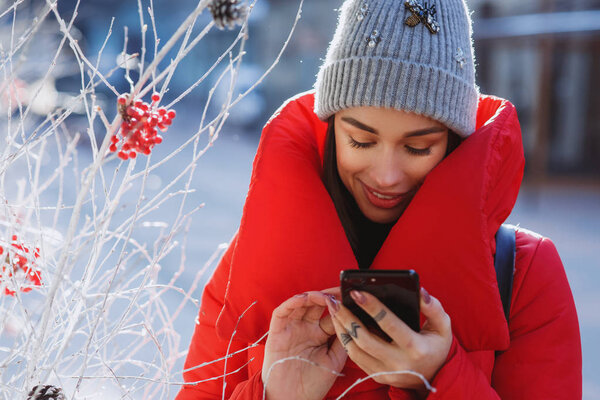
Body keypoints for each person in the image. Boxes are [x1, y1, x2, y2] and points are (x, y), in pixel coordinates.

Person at [177, 0, 582, 398]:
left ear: (455, 143)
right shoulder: (253, 259)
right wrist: (274, 394)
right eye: (361, 140)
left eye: (418, 148)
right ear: (332, 129)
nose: (386, 176)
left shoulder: (523, 273)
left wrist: (438, 378)